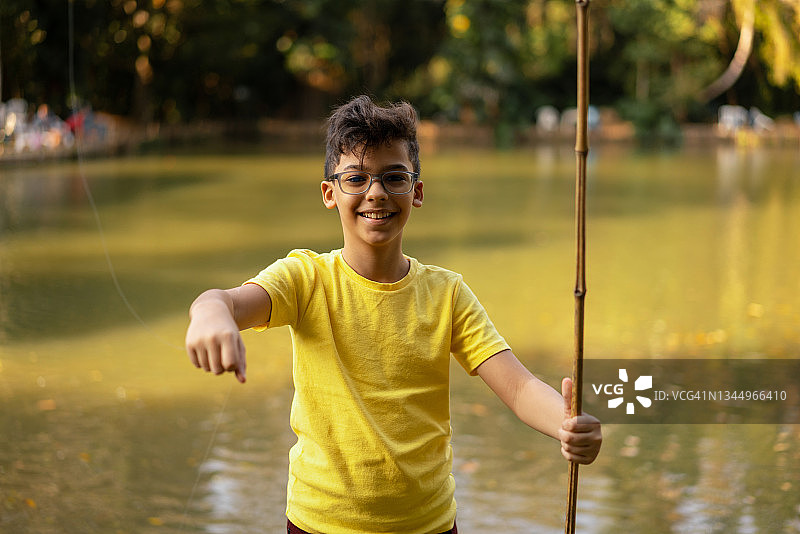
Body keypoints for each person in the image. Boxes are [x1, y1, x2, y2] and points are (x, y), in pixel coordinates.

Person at [185, 95, 602, 534]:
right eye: (356, 178)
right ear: (330, 193)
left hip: (428, 524)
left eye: (393, 177)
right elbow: (222, 301)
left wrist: (566, 425)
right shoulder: (305, 279)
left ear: (416, 191)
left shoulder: (447, 294)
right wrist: (212, 315)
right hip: (320, 524)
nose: (376, 192)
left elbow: (518, 388)